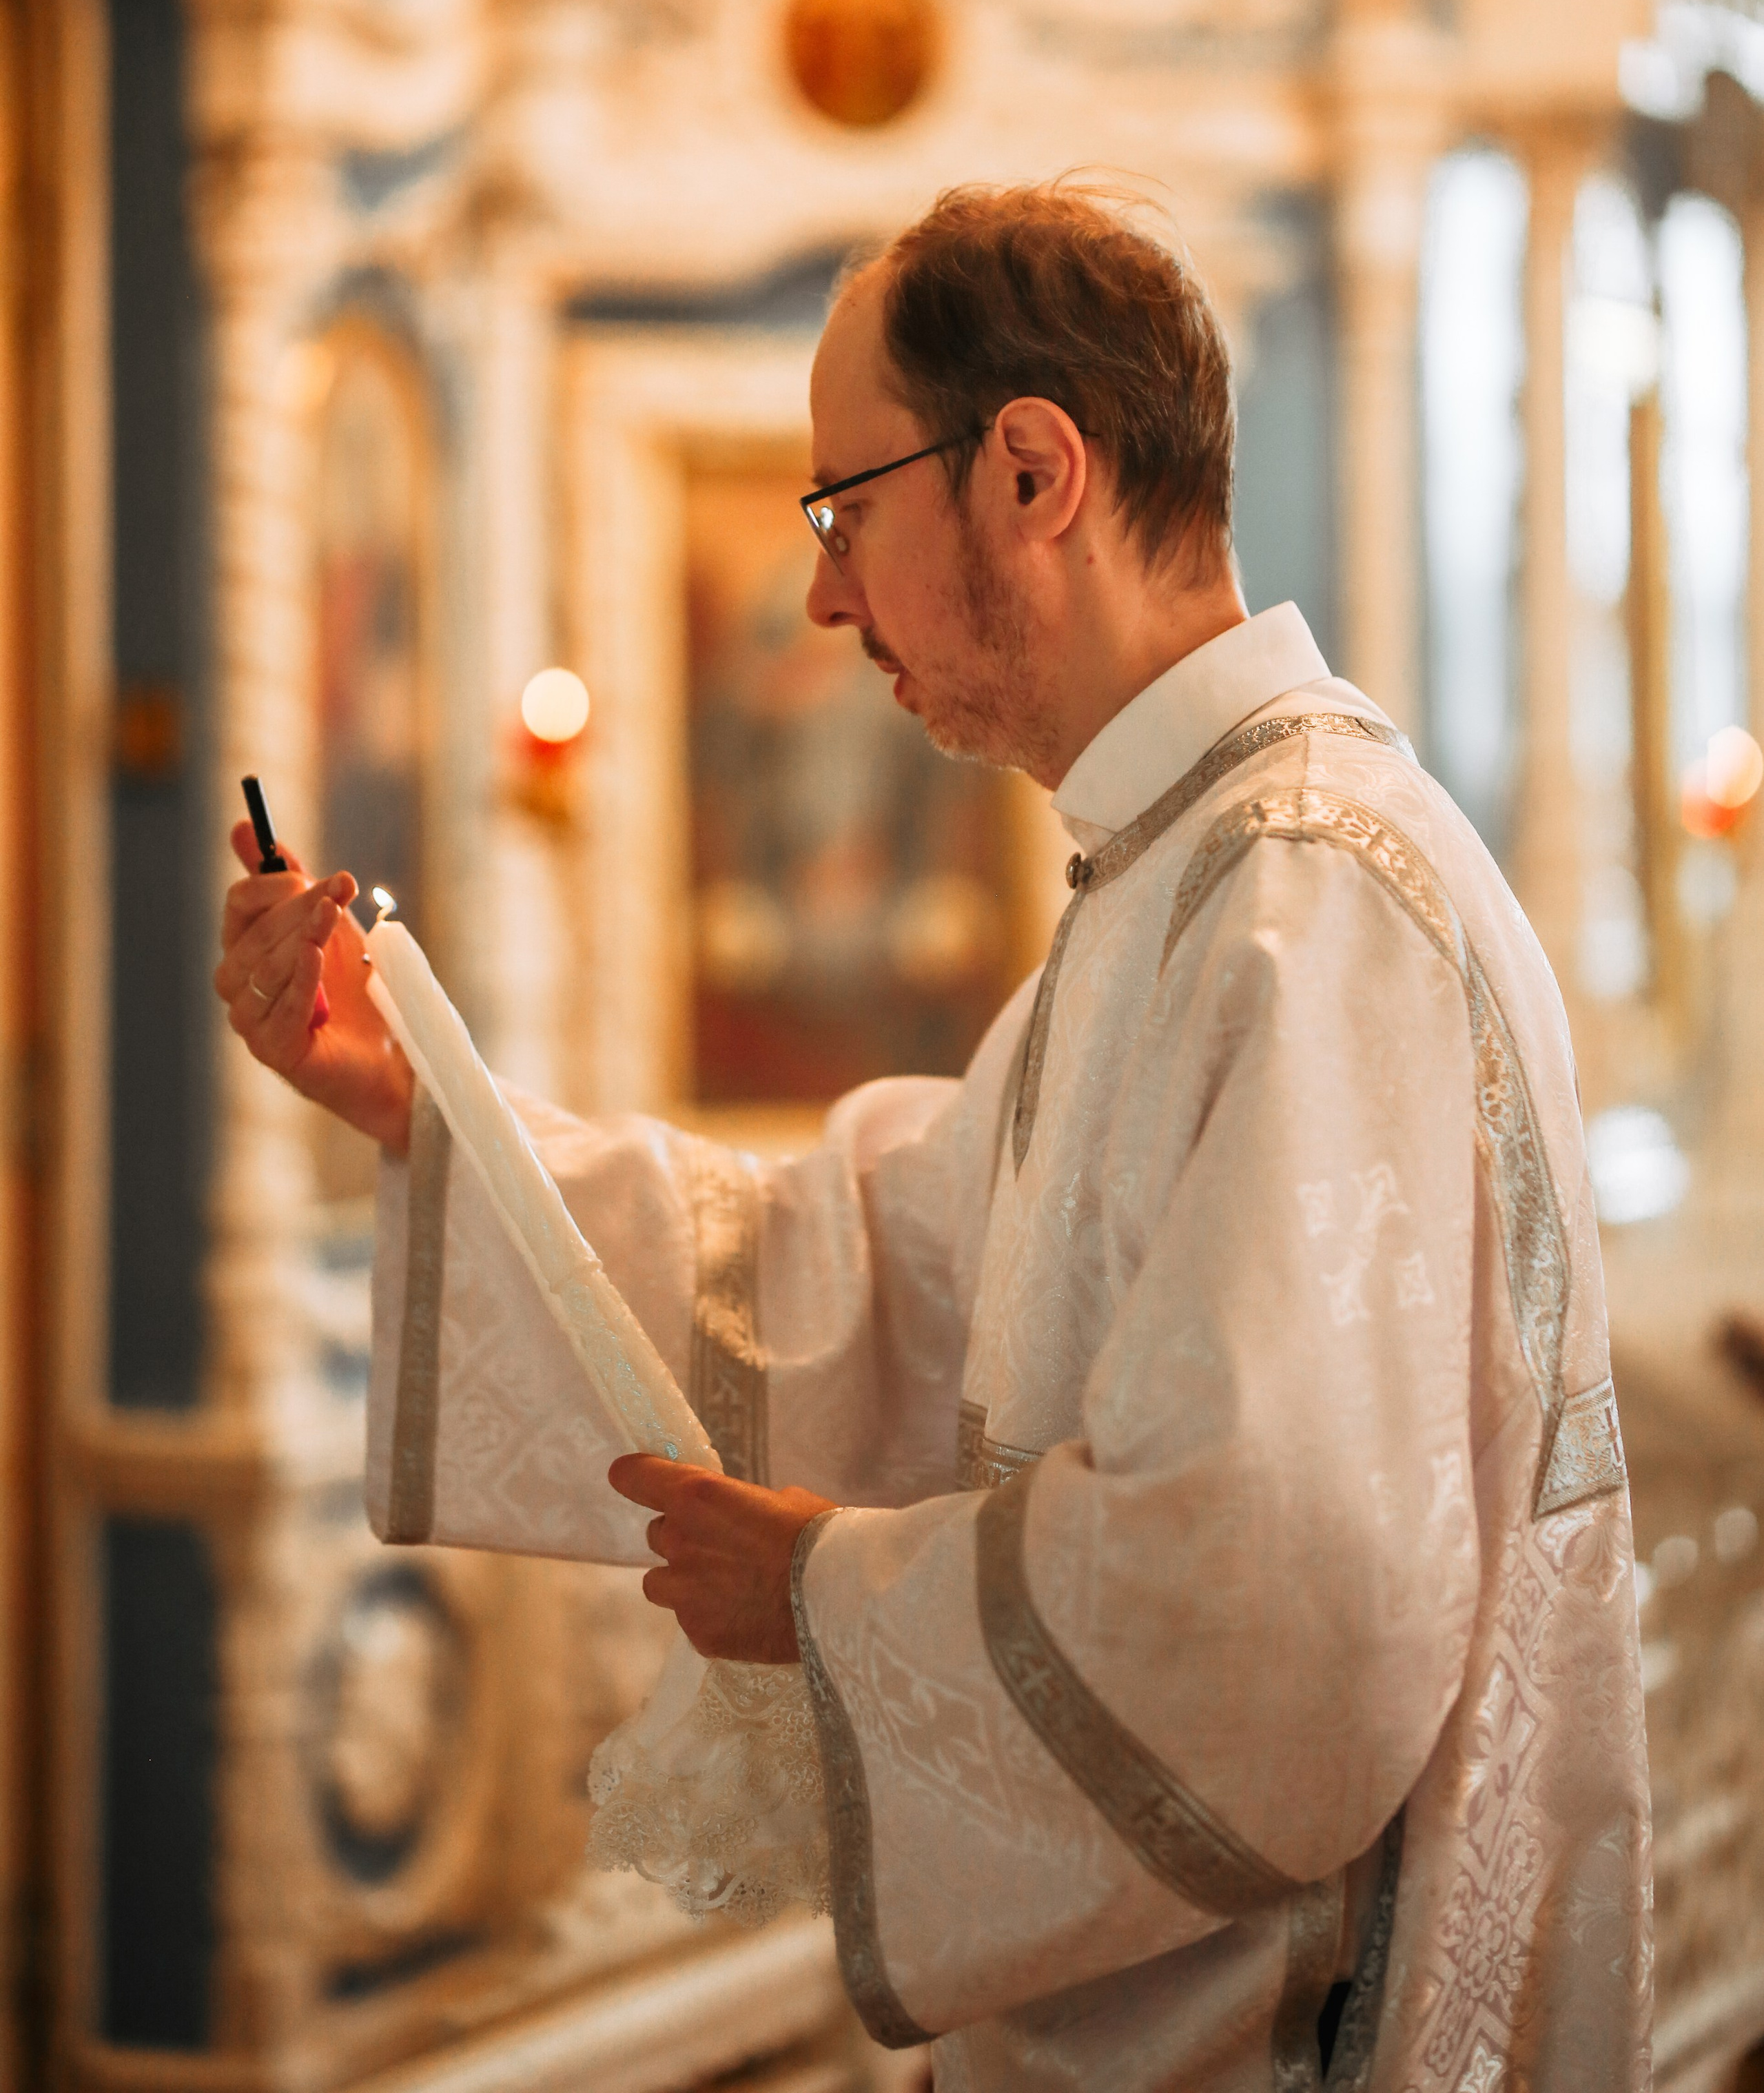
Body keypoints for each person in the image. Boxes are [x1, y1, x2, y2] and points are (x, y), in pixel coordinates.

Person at [217, 183, 1650, 2092]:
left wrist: (827, 1598)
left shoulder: (1311, 901)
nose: (819, 595)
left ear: (1035, 469)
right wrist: (422, 1103)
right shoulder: (1193, 873)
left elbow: (1287, 1598)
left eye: (848, 510)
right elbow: (882, 1269)